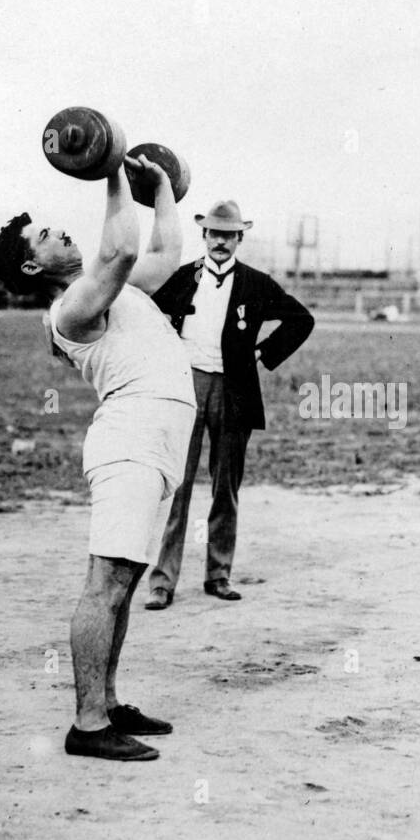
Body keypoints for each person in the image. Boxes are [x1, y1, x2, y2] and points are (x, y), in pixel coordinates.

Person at [0, 156, 194, 761]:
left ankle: (106, 698)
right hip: (130, 441)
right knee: (106, 581)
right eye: (47, 236)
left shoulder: (112, 289)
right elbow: (124, 250)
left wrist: (157, 190)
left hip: (155, 440)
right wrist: (113, 171)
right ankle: (88, 724)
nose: (63, 233)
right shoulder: (72, 308)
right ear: (32, 265)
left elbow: (163, 253)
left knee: (124, 581)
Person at [145, 200, 314, 607]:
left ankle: (218, 575)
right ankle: (162, 581)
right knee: (176, 485)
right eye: (214, 234)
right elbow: (150, 316)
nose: (220, 242)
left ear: (240, 238)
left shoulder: (256, 283)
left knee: (226, 487)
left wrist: (263, 352)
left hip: (234, 392)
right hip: (186, 388)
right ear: (204, 236)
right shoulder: (182, 278)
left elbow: (301, 319)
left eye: (229, 235)